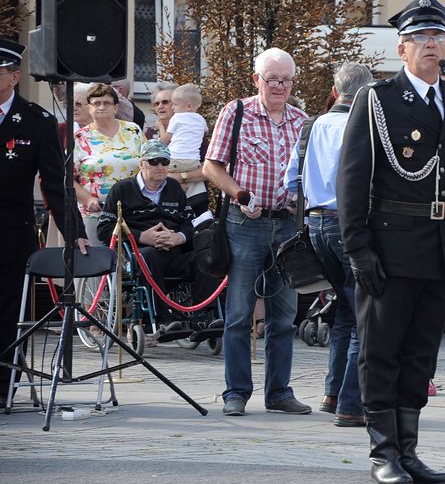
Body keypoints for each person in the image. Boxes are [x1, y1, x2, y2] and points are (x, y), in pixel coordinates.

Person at [337, 0, 445, 484]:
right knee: (382, 350)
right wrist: (357, 250)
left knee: (421, 353)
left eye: (437, 36)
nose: (430, 45)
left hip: (440, 245)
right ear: (401, 50)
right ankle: (383, 453)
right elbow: (352, 180)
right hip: (391, 246)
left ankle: (410, 451)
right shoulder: (378, 99)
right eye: (420, 38)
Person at [203, 47, 309, 417]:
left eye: (286, 79)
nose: (279, 86)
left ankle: (279, 392)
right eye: (272, 79)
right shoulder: (236, 114)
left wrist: (303, 200)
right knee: (238, 314)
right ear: (256, 80)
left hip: (286, 224)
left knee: (283, 315)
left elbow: (310, 174)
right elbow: (211, 167)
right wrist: (239, 193)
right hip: (244, 222)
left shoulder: (301, 120)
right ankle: (236, 392)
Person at [283, 63, 374, 428]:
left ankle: (333, 392)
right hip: (349, 225)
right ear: (366, 94)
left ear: (336, 92)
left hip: (315, 225)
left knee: (344, 314)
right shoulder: (363, 126)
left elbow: (292, 180)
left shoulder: (311, 125)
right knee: (361, 319)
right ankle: (350, 405)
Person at [0, 39, 87, 402]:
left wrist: (74, 231)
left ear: (15, 76)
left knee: (6, 315)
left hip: (9, 233)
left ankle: (3, 387)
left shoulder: (37, 121)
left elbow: (54, 182)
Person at [97, 139, 215, 335]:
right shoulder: (123, 190)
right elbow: (104, 229)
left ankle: (205, 315)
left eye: (165, 162)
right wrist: (142, 236)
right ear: (141, 163)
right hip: (139, 254)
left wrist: (178, 237)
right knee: (148, 255)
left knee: (207, 249)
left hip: (173, 252)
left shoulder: (174, 188)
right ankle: (163, 318)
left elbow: (188, 223)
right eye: (154, 161)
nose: (160, 167)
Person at [73, 83, 144, 245]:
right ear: (89, 108)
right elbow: (66, 177)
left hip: (133, 210)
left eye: (107, 103)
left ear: (116, 107)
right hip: (95, 211)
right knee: (97, 264)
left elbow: (147, 164)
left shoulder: (132, 130)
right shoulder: (79, 137)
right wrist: (88, 199)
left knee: (133, 263)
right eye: (96, 103)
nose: (101, 107)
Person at [157, 83, 208, 215]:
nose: (161, 106)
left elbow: (208, 169)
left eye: (167, 102)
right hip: (192, 163)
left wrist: (180, 177)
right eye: (156, 103)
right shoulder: (200, 120)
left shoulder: (177, 119)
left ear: (188, 105)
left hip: (176, 165)